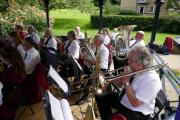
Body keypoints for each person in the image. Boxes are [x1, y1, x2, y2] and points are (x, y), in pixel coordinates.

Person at [95, 46, 161, 120]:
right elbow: (120, 86)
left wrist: (126, 81)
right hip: (125, 100)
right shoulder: (137, 70)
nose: (128, 62)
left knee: (113, 118)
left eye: (131, 60)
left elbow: (135, 103)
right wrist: (116, 79)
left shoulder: (152, 80)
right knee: (100, 97)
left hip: (136, 112)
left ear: (140, 63)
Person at [0, 46, 26, 119]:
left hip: (10, 99)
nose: (1, 59)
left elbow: (3, 88)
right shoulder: (19, 64)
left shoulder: (9, 74)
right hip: (17, 95)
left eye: (1, 58)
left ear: (7, 59)